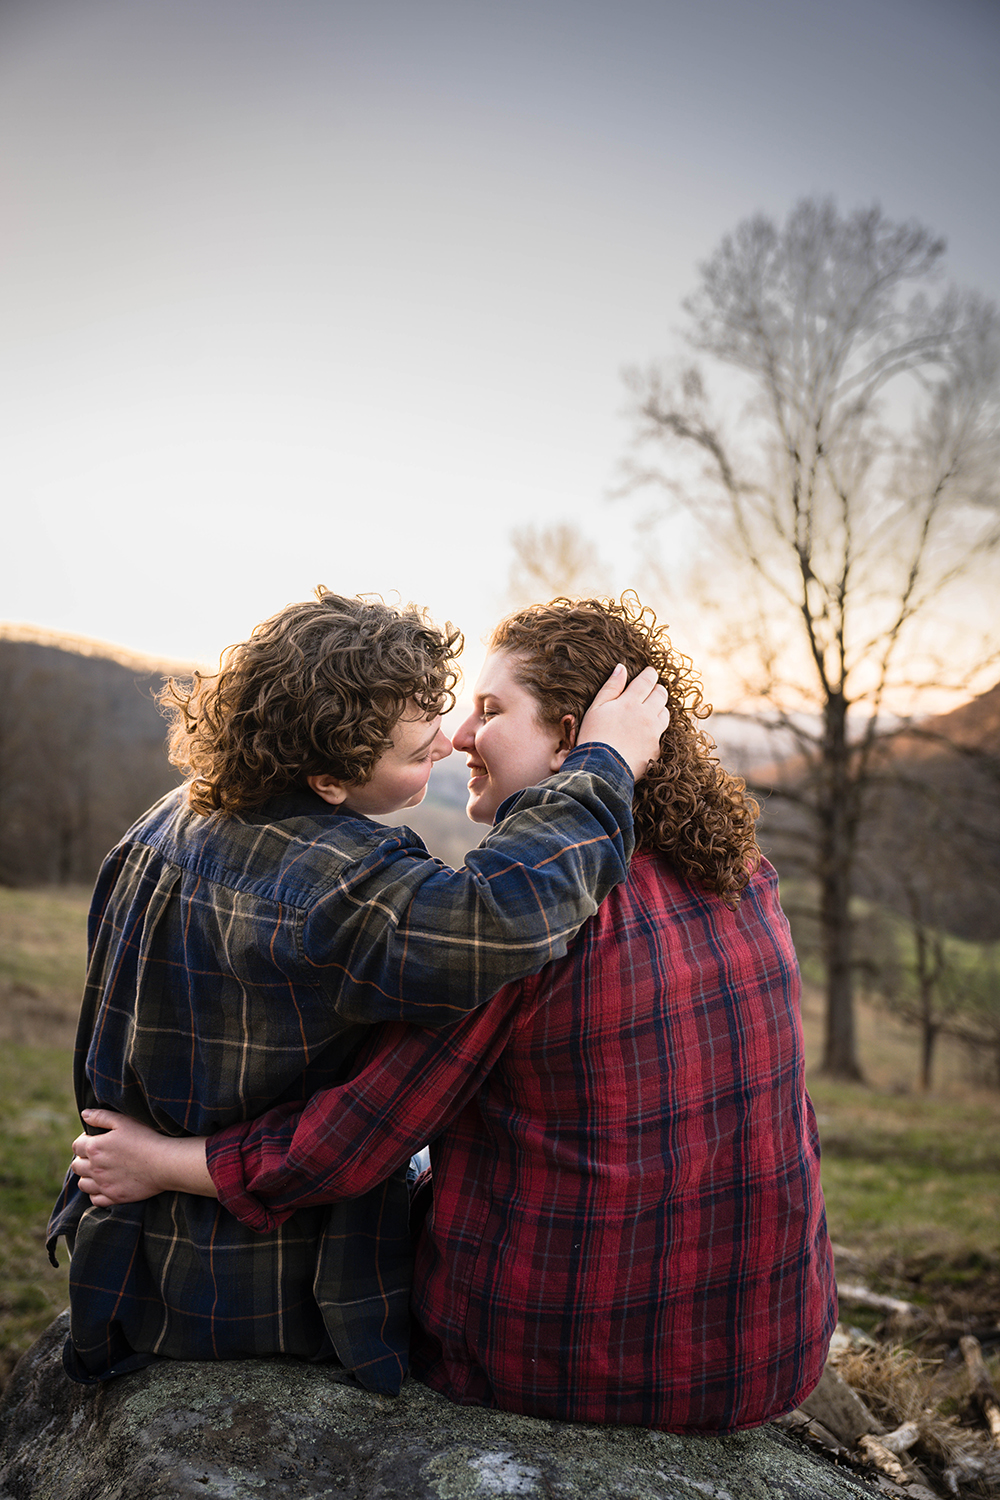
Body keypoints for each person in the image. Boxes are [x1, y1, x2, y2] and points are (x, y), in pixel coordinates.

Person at [74, 594, 836, 1434]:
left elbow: (346, 1144)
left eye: (489, 710)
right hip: (774, 1348)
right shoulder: (745, 879)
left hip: (567, 1363)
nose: (459, 738)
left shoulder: (535, 939)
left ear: (577, 740)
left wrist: (161, 1161)